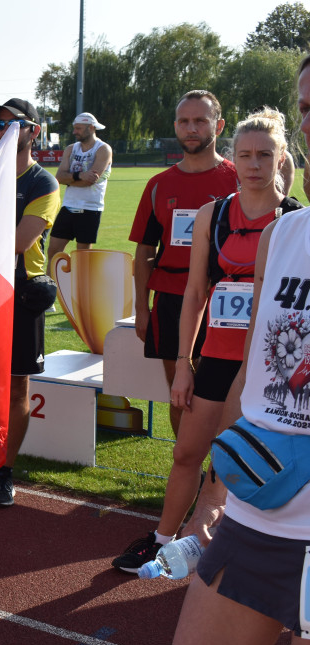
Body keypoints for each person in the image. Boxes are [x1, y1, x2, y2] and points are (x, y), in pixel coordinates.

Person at [160, 57, 310, 645]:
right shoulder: (287, 236)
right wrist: (221, 491)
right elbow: (255, 380)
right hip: (260, 512)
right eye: (306, 106)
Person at [113, 108, 301, 573]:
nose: (254, 164)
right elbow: (195, 291)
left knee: (242, 464)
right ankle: (160, 540)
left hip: (271, 369)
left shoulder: (296, 222)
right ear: (233, 158)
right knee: (186, 453)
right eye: (245, 155)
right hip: (215, 356)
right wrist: (183, 364)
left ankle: (242, 551)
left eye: (264, 154)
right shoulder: (211, 216)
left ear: (281, 159)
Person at [129, 90, 239, 438]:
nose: (192, 128)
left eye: (200, 121)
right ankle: (188, 470)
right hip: (171, 301)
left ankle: (218, 481)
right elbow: (145, 250)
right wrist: (142, 308)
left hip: (228, 302)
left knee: (225, 397)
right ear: (175, 126)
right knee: (181, 394)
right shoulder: (159, 185)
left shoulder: (238, 180)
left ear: (218, 126)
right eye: (184, 121)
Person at [0, 98, 60, 508]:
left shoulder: (41, 182)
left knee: (16, 387)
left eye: (13, 124)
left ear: (33, 130)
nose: (3, 130)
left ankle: (4, 472)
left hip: (20, 292)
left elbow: (19, 241)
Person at [48, 112, 112, 265]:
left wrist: (71, 178)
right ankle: (52, 287)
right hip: (68, 207)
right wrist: (80, 176)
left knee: (83, 257)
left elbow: (89, 181)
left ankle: (81, 288)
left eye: (78, 128)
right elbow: (59, 177)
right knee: (53, 252)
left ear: (91, 128)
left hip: (90, 209)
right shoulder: (71, 149)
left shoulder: (103, 149)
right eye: (74, 128)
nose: (74, 132)